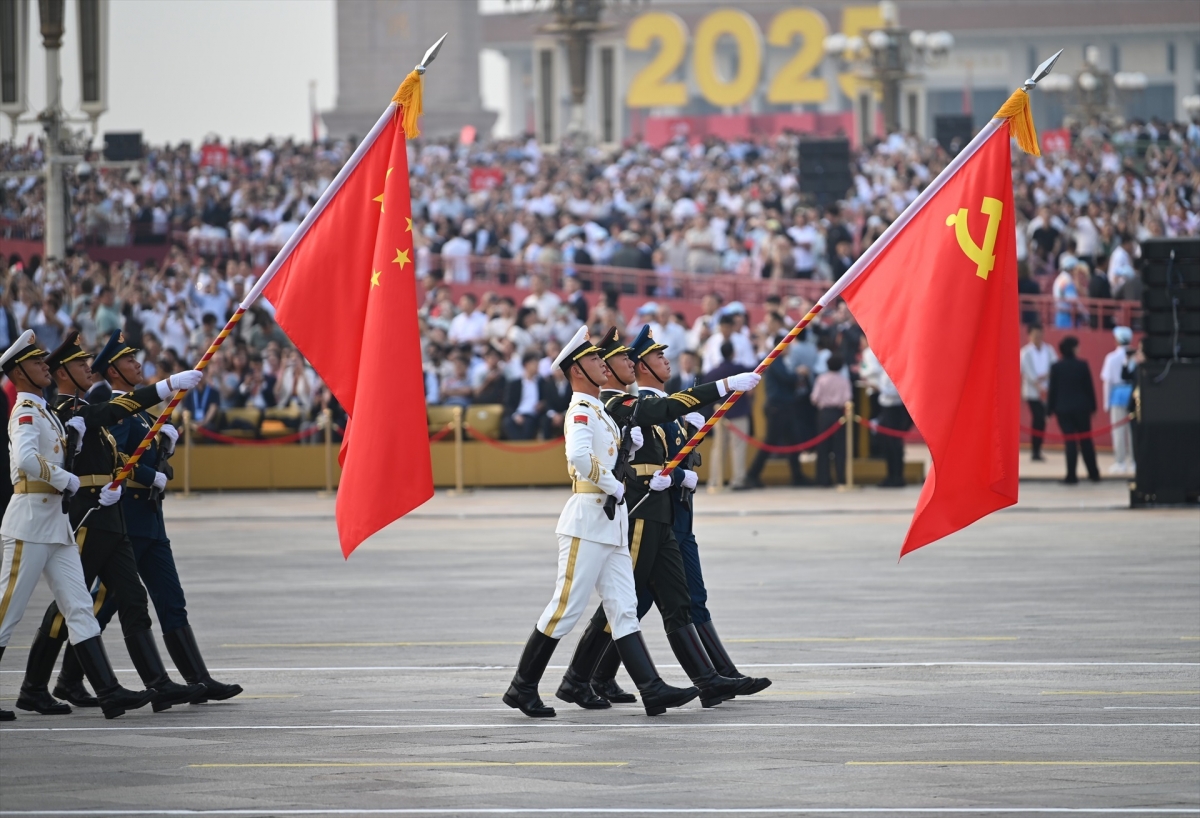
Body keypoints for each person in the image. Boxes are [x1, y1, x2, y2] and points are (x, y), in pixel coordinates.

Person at [503, 326, 698, 719]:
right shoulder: (580, 410)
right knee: (566, 607)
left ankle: (651, 688)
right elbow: (579, 458)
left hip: (611, 521)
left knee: (624, 607)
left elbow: (605, 452)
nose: (603, 364)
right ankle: (522, 686)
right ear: (577, 371)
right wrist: (613, 484)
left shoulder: (597, 410)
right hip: (589, 517)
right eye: (594, 359)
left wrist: (627, 450)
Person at [562, 326, 759, 710]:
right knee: (621, 601)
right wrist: (723, 386)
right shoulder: (612, 405)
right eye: (622, 359)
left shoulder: (621, 403)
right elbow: (640, 432)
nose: (629, 363)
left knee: (675, 597)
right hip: (638, 511)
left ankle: (707, 681)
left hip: (660, 511)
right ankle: (577, 678)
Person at [17, 331, 206, 715]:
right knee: (69, 606)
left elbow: (115, 452)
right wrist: (166, 386)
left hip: (110, 515)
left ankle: (158, 684)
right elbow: (109, 416)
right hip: (86, 516)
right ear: (62, 373)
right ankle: (34, 686)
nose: (89, 369)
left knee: (132, 599)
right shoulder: (63, 412)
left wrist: (153, 459)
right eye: (80, 364)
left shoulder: (85, 409)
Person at [55, 330, 244, 703]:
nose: (137, 364)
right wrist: (147, 475)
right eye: (129, 360)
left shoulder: (142, 414)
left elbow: (148, 458)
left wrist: (164, 454)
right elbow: (116, 458)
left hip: (150, 521)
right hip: (128, 519)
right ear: (113, 370)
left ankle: (198, 679)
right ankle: (67, 680)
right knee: (105, 605)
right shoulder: (119, 410)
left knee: (170, 599)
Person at [0, 330, 155, 721]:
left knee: (80, 607)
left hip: (55, 522)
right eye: (36, 362)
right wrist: (66, 479)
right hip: (30, 521)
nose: (44, 366)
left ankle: (108, 693)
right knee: (7, 611)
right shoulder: (25, 411)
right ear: (18, 373)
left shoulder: (46, 412)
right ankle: (82, 690)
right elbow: (26, 461)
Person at [1047, 336, 1100, 484]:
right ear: (1072, 348)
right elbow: (1089, 388)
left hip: (1063, 410)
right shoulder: (1082, 365)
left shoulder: (1056, 367)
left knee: (1070, 442)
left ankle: (1071, 476)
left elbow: (1053, 390)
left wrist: (1049, 410)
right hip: (1082, 409)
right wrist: (1094, 407)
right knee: (1086, 441)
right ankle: (1094, 473)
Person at [703, 341, 753, 491]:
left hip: (719, 414)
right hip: (738, 413)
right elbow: (755, 370)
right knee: (738, 448)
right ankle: (738, 480)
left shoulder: (712, 373)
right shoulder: (740, 369)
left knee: (718, 448)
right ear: (733, 353)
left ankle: (714, 480)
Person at [811, 354, 851, 486]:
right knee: (839, 448)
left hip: (824, 414)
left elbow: (814, 398)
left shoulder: (821, 379)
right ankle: (841, 478)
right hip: (838, 414)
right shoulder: (843, 380)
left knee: (823, 448)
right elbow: (847, 399)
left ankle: (823, 479)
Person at [1101, 326, 1136, 475]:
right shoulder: (1135, 356)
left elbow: (1107, 382)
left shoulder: (1111, 358)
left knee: (1118, 431)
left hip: (1117, 394)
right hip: (1132, 394)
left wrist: (1106, 402)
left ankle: (1120, 462)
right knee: (1133, 430)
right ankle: (1134, 461)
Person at [1020, 325, 1058, 462]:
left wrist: (1046, 378)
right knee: (1037, 418)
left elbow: (1054, 367)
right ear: (1029, 336)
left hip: (1047, 391)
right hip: (1033, 392)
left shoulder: (1049, 350)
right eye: (1035, 335)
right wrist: (1037, 384)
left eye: (1040, 334)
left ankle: (1038, 449)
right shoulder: (1026, 352)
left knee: (1042, 421)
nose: (1038, 337)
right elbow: (1027, 372)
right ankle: (1035, 450)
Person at [875, 366, 910, 487]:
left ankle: (897, 476)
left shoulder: (896, 371)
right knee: (887, 444)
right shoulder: (884, 372)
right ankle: (890, 475)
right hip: (886, 408)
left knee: (894, 444)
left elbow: (896, 391)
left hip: (894, 409)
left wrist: (879, 388)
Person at [503, 352, 544, 440]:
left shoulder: (541, 383)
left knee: (529, 424)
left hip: (533, 415)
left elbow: (547, 399)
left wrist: (542, 404)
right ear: (526, 365)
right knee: (507, 423)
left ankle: (522, 447)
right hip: (517, 413)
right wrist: (515, 415)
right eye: (534, 364)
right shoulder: (515, 384)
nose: (537, 366)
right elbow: (508, 402)